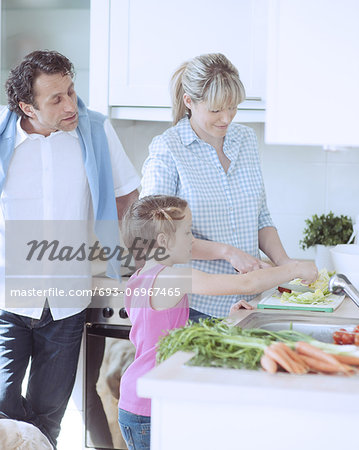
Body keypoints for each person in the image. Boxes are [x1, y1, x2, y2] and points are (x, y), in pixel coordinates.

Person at [0, 50, 140, 448]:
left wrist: (126, 249)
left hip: (66, 299)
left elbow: (127, 195)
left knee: (49, 417)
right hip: (8, 299)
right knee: (2, 408)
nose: (70, 104)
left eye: (72, 91)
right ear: (27, 106)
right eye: (56, 99)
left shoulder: (94, 130)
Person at [118, 195, 318, 450]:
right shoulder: (171, 279)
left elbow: (163, 332)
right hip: (149, 405)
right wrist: (294, 269)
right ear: (163, 241)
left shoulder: (140, 278)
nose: (193, 240)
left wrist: (225, 323)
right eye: (187, 233)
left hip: (140, 397)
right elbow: (246, 283)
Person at [140, 53, 297, 320]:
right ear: (189, 101)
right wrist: (227, 253)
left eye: (233, 107)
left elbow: (260, 217)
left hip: (249, 303)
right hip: (196, 308)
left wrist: (287, 267)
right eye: (215, 110)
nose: (226, 118)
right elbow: (157, 235)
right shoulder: (169, 149)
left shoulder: (245, 139)